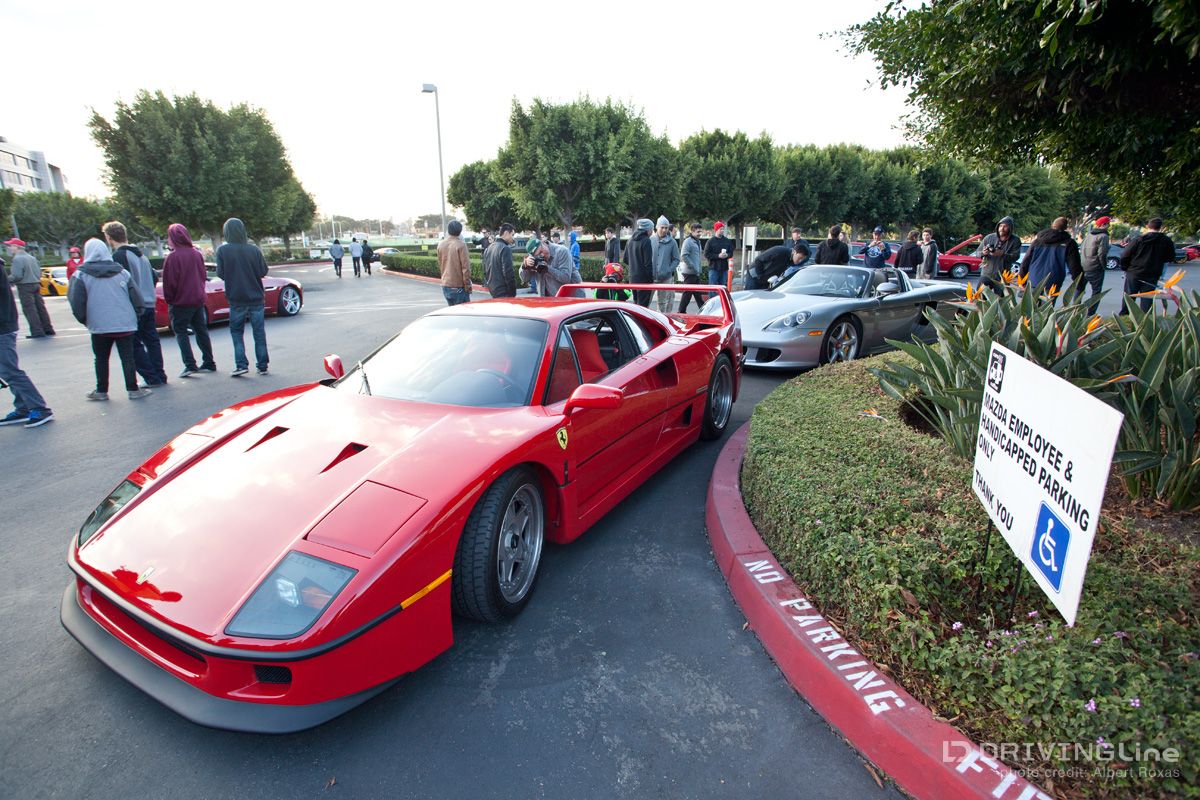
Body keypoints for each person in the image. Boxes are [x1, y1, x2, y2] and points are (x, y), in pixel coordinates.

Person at [69, 238, 150, 401]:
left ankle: (101, 390)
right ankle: (133, 389)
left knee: (100, 358)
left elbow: (76, 301)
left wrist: (85, 320)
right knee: (127, 357)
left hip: (98, 324)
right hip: (124, 322)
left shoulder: (81, 275)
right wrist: (136, 315)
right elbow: (137, 298)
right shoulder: (122, 272)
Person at [104, 221, 167, 387]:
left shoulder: (119, 257)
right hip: (149, 302)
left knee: (133, 343)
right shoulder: (142, 255)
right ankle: (159, 374)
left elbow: (123, 283)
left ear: (109, 238)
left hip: (135, 305)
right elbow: (153, 278)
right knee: (152, 340)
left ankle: (151, 377)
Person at [0, 260, 53, 427]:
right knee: (8, 370)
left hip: (3, 327)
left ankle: (39, 408)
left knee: (10, 371)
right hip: (5, 325)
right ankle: (24, 407)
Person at [215, 217, 270, 376]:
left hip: (236, 297)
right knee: (259, 332)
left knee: (237, 332)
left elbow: (221, 274)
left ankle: (241, 365)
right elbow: (263, 271)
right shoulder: (253, 250)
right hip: (256, 297)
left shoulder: (223, 251)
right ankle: (262, 365)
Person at [162, 223, 216, 377]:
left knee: (181, 332)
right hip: (197, 299)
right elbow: (202, 275)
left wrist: (170, 299)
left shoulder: (172, 257)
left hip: (181, 301)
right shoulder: (196, 254)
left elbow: (169, 282)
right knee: (201, 330)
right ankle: (209, 362)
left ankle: (190, 364)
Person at [1119, 217, 1176, 314]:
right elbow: (1170, 257)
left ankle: (1125, 315)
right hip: (1153, 273)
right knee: (1147, 298)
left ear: (1147, 226)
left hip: (1134, 272)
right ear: (1160, 227)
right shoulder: (1166, 241)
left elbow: (1125, 255)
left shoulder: (1138, 240)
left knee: (1129, 295)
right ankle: (1145, 317)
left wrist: (1125, 268)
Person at [1020, 217, 1082, 303]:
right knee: (1046, 311)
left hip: (1033, 280)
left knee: (1030, 310)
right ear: (1065, 228)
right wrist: (1079, 283)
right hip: (1053, 281)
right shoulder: (1069, 243)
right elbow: (1074, 266)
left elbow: (1025, 262)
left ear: (1052, 225)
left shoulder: (1037, 242)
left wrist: (1022, 279)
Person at [4, 238, 55, 338]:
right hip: (35, 283)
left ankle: (37, 331)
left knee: (29, 309)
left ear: (16, 246)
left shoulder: (17, 259)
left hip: (25, 286)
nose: (9, 248)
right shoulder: (31, 258)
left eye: (10, 246)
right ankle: (48, 328)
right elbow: (39, 273)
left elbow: (17, 275)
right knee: (41, 308)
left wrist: (6, 279)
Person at [977, 216, 1022, 294]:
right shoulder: (989, 237)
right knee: (979, 297)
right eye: (1001, 226)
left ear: (1010, 228)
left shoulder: (1015, 240)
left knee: (1000, 300)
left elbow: (1016, 257)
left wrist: (1002, 254)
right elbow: (977, 252)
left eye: (1005, 226)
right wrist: (983, 253)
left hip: (1002, 276)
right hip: (986, 274)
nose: (1002, 228)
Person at [1079, 216, 1111, 315]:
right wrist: (1103, 266)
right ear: (1104, 224)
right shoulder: (1103, 236)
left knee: (1079, 290)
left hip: (1083, 266)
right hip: (1095, 268)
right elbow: (1102, 254)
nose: (1109, 225)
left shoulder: (1089, 235)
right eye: (1108, 223)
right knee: (1096, 292)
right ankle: (1090, 314)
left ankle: (1075, 310)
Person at [649, 216, 680, 313]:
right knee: (646, 302)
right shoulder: (650, 240)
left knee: (663, 304)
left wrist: (668, 270)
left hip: (666, 278)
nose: (664, 230)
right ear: (657, 227)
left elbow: (676, 259)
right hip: (651, 277)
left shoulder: (672, 242)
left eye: (666, 228)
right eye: (662, 227)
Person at [437, 220, 472, 305]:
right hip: (458, 286)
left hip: (446, 284)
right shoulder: (461, 245)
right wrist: (468, 286)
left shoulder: (440, 244)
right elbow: (465, 267)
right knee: (463, 315)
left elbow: (440, 264)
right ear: (460, 231)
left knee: (452, 314)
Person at [624, 218, 655, 307]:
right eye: (652, 229)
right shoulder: (646, 241)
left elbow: (626, 259)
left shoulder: (630, 240)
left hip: (632, 278)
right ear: (648, 229)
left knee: (636, 305)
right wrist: (651, 279)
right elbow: (648, 263)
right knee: (643, 307)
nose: (652, 232)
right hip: (644, 279)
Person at [678, 223, 706, 312]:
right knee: (687, 294)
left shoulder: (697, 241)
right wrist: (693, 266)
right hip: (689, 272)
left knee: (697, 294)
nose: (700, 233)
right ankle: (681, 311)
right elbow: (683, 255)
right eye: (698, 231)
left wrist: (697, 269)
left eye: (700, 231)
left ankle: (703, 311)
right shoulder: (688, 241)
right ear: (692, 231)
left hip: (695, 272)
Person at [483, 223, 517, 298]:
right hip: (504, 292)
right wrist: (513, 293)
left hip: (493, 290)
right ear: (506, 233)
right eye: (512, 234)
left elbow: (485, 271)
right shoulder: (505, 248)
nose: (513, 238)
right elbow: (508, 273)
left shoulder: (489, 248)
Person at [704, 220, 734, 292]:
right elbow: (706, 254)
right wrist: (718, 256)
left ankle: (721, 302)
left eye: (723, 229)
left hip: (724, 268)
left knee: (722, 287)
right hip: (713, 268)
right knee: (712, 287)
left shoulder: (727, 241)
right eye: (721, 229)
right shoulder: (710, 241)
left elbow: (731, 253)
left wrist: (727, 255)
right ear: (716, 230)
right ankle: (713, 302)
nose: (722, 230)